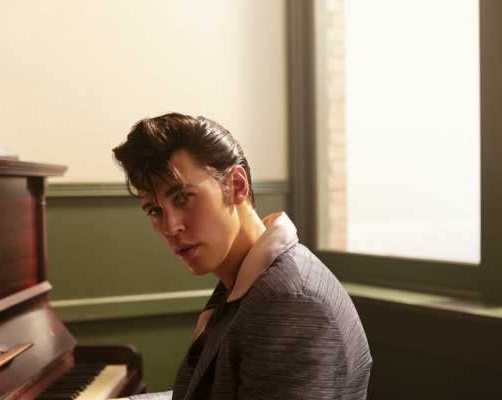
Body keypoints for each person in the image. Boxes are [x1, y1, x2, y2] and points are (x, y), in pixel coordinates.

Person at [111, 113, 372, 400]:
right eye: (154, 210)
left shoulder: (290, 302)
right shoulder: (249, 276)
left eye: (182, 198)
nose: (170, 227)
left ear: (237, 185)